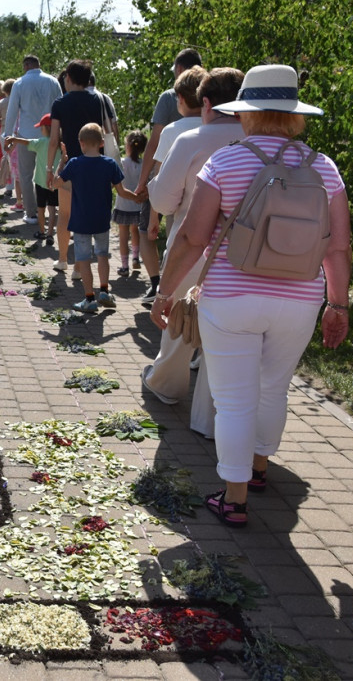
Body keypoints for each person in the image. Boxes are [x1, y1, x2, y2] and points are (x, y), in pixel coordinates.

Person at [149, 64, 351, 527]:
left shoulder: (226, 161)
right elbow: (338, 246)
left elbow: (192, 240)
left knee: (235, 399)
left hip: (231, 296)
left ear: (247, 112)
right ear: (294, 115)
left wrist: (165, 291)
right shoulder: (323, 167)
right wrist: (337, 304)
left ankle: (234, 497)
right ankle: (260, 469)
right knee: (273, 387)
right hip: (300, 299)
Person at [140, 67, 246, 440]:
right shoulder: (256, 139)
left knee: (178, 322)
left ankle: (167, 385)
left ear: (206, 103)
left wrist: (155, 185)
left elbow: (165, 200)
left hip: (191, 244)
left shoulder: (190, 139)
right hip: (243, 256)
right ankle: (213, 414)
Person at [137, 48, 204, 303]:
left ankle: (160, 287)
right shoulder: (221, 108)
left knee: (162, 236)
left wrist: (144, 185)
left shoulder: (169, 103)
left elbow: (155, 150)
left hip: (172, 189)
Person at [58, 123, 140, 312]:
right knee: (103, 255)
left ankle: (89, 299)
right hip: (102, 219)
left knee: (84, 259)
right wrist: (137, 198)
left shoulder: (75, 163)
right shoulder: (109, 164)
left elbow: (54, 183)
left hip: (80, 221)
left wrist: (62, 161)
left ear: (81, 143)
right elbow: (122, 191)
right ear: (102, 143)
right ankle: (104, 291)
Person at [47, 59, 107, 272]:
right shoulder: (96, 100)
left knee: (65, 214)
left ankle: (63, 259)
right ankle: (80, 267)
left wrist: (49, 169)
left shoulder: (60, 103)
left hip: (69, 164)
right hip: (93, 163)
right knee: (85, 214)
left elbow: (54, 140)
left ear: (68, 78)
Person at [4, 55, 63, 225]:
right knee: (49, 170)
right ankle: (52, 209)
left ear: (27, 65)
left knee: (26, 174)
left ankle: (32, 213)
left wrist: (7, 135)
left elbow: (12, 111)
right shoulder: (53, 82)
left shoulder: (20, 83)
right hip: (50, 135)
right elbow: (60, 106)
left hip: (26, 135)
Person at [5, 114, 62, 244]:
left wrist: (14, 138)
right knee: (52, 208)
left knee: (41, 208)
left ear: (46, 129)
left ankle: (42, 231)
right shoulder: (60, 143)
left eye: (41, 128)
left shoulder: (41, 142)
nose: (40, 130)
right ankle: (50, 234)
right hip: (55, 182)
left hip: (41, 181)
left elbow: (27, 142)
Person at [114, 131, 147, 277]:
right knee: (135, 232)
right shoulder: (143, 165)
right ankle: (135, 257)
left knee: (123, 236)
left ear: (128, 146)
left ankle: (124, 266)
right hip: (138, 205)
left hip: (123, 205)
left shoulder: (122, 163)